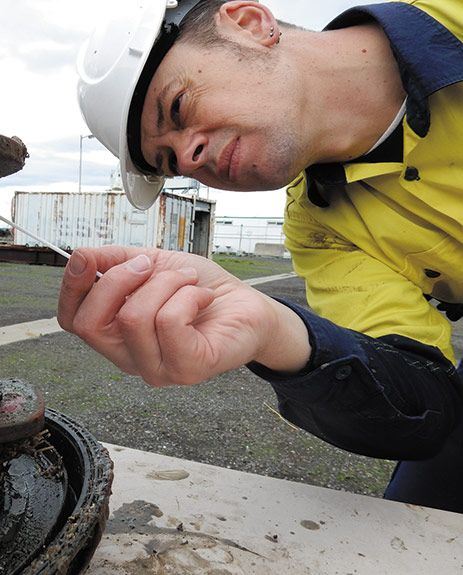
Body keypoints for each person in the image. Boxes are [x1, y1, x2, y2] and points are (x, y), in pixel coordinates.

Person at [58, 0, 463, 513]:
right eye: (170, 163)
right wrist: (271, 330)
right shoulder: (322, 227)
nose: (188, 157)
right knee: (423, 519)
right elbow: (421, 407)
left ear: (250, 24)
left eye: (178, 108)